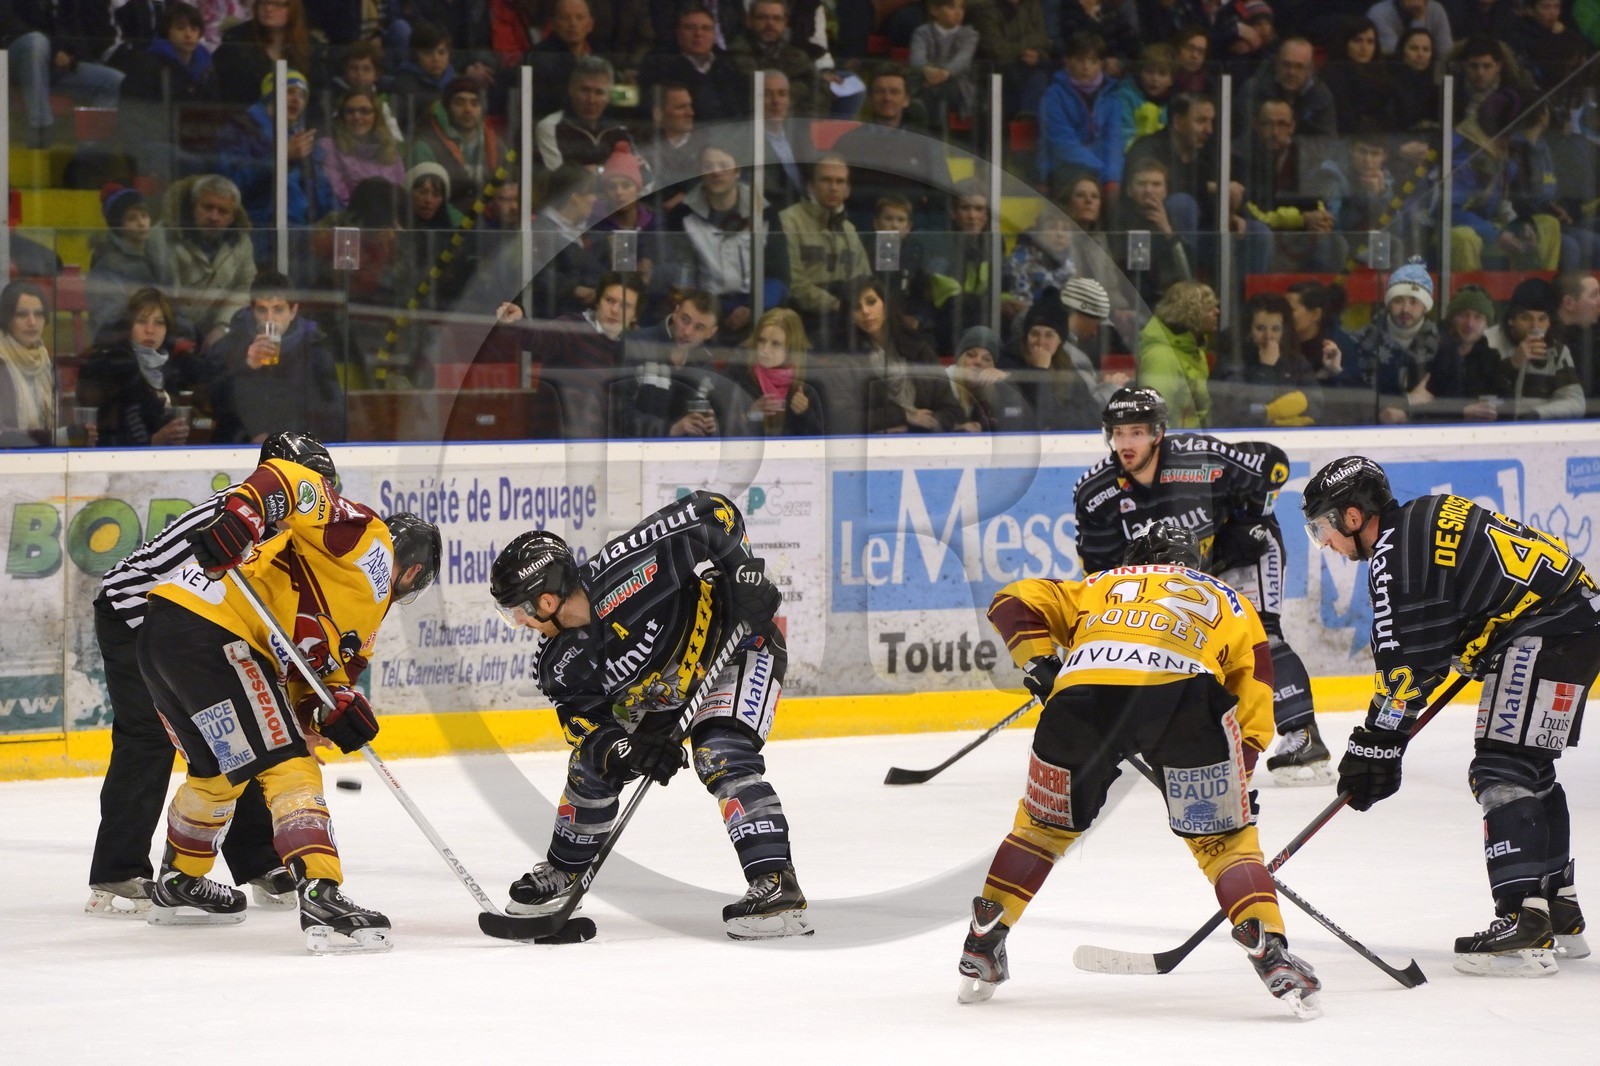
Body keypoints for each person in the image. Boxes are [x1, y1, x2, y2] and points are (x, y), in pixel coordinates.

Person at [959, 522, 1321, 1017]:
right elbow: (1255, 690)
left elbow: (1012, 600)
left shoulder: (1100, 584)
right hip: (1184, 700)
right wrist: (1240, 772)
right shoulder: (1229, 599)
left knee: (1040, 830)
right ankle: (1271, 950)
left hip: (1081, 701)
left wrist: (1040, 665)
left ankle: (984, 937)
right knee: (1225, 844)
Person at [1303, 456, 1592, 975]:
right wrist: (1473, 640)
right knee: (1530, 769)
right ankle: (1557, 905)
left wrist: (1374, 746)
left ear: (1352, 516)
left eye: (1323, 526)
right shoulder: (1424, 516)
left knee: (1500, 770)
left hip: (1544, 633)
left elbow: (1407, 671)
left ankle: (1523, 919)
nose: (1324, 541)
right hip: (1576, 620)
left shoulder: (1394, 555)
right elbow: (1458, 615)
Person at [138, 457, 439, 951]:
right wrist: (243, 514)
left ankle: (180, 882)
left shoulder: (360, 629)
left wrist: (338, 709)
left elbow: (316, 688)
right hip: (219, 634)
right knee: (289, 764)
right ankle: (322, 892)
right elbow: (292, 479)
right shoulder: (372, 544)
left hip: (165, 632)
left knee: (216, 771)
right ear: (414, 572)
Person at [487, 492, 811, 939]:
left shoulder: (630, 571)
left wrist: (741, 573)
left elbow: (714, 511)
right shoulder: (559, 662)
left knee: (721, 753)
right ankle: (563, 874)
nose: (520, 623)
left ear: (546, 600)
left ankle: (777, 885)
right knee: (590, 768)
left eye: (519, 610)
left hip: (738, 648)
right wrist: (629, 750)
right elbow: (587, 727)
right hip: (666, 692)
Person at [85, 432, 338, 917]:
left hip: (195, 629)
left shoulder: (288, 529)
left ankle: (259, 860)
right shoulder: (238, 515)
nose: (319, 494)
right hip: (135, 617)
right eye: (311, 481)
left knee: (245, 735)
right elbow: (187, 593)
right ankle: (118, 871)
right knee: (148, 738)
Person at [1074, 387, 1331, 784]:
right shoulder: (1096, 495)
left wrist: (1253, 521)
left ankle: (1303, 736)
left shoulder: (1198, 457)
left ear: (1158, 433)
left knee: (1262, 638)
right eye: (1119, 433)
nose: (1126, 443)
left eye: (1137, 432)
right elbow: (1099, 573)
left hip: (1241, 557)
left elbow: (1274, 466)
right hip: (1181, 578)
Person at [208, 271, 345, 444]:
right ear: (252, 310)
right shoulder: (230, 346)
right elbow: (214, 404)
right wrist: (247, 366)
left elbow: (331, 418)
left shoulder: (314, 352)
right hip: (239, 451)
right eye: (262, 310)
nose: (269, 319)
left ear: (293, 311)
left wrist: (282, 439)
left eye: (278, 310)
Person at [77, 288, 205, 448]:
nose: (150, 330)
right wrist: (152, 442)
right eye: (142, 321)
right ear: (128, 326)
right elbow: (101, 440)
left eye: (159, 322)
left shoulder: (178, 370)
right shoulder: (111, 369)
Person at [611, 289, 742, 437]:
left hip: (684, 455)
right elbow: (616, 413)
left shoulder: (706, 363)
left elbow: (720, 420)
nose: (687, 332)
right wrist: (670, 429)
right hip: (632, 453)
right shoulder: (635, 345)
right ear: (676, 312)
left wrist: (711, 426)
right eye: (685, 320)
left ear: (711, 332)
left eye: (699, 328)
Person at [149, 174, 258, 350]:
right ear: (193, 207)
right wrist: (180, 336)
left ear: (232, 217)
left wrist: (223, 327)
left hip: (213, 335)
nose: (214, 217)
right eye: (208, 207)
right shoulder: (162, 237)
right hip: (164, 334)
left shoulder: (241, 243)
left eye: (223, 211)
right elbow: (164, 293)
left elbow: (243, 289)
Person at [846, 277, 963, 434]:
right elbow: (845, 416)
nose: (865, 311)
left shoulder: (919, 349)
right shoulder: (848, 358)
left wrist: (931, 424)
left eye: (871, 302)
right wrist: (903, 416)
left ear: (885, 305)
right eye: (857, 307)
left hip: (924, 443)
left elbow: (950, 407)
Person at [778, 156, 872, 349]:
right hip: (803, 317)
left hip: (846, 317)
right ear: (810, 186)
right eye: (826, 180)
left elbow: (866, 280)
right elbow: (793, 284)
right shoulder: (788, 221)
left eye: (840, 182)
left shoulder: (849, 230)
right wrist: (836, 304)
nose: (833, 188)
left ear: (847, 190)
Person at [1466, 277, 1585, 422]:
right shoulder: (1488, 343)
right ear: (1511, 319)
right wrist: (1512, 364)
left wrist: (1536, 414)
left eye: (1542, 319)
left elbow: (1575, 402)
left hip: (1534, 434)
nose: (1535, 327)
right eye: (1526, 318)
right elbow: (1471, 392)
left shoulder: (1557, 351)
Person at [1348, 259, 1441, 424]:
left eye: (1414, 302)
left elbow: (1449, 406)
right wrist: (1408, 401)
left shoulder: (1442, 346)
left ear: (1425, 307)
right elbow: (1353, 402)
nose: (1405, 309)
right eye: (1398, 301)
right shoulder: (1361, 341)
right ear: (1389, 303)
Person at [1213, 291, 1323, 427]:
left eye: (1276, 329)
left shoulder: (1296, 361)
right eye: (1260, 328)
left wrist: (1285, 415)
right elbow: (1239, 414)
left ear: (1284, 331)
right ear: (1249, 330)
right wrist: (1266, 370)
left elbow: (1317, 405)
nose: (1268, 336)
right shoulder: (1231, 364)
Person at [1039, 32, 1127, 195]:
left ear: (1101, 64)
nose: (1086, 67)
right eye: (1080, 60)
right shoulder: (1053, 95)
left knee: (1117, 191)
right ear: (1068, 61)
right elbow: (1063, 143)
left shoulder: (1112, 96)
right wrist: (1099, 170)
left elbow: (1113, 140)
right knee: (1084, 189)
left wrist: (1111, 178)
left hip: (1101, 169)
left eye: (1093, 62)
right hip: (1064, 168)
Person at [87, 185, 176, 337]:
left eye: (144, 215)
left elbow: (173, 304)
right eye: (132, 218)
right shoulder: (108, 264)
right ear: (118, 226)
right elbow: (109, 318)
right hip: (124, 343)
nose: (142, 223)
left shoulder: (157, 256)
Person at [411, 75, 505, 217]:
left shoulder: (497, 145)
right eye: (460, 103)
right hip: (446, 226)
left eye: (475, 103)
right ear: (447, 107)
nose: (468, 109)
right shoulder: (425, 147)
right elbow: (423, 201)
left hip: (491, 225)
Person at [727, 306, 825, 436]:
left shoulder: (810, 382)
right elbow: (724, 430)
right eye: (761, 341)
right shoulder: (739, 374)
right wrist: (751, 416)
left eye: (775, 344)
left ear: (791, 348)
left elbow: (821, 441)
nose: (765, 350)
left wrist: (804, 414)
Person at [1136, 279, 1218, 429]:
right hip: (1179, 446)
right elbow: (1158, 419)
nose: (1217, 312)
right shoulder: (1160, 357)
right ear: (1191, 313)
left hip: (1198, 444)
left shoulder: (1195, 350)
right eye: (1209, 308)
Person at [534, 55, 636, 172]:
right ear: (571, 89)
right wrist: (613, 172)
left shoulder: (619, 130)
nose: (591, 100)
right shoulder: (550, 126)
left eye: (599, 92)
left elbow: (644, 177)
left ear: (609, 95)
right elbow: (561, 181)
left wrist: (592, 170)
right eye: (584, 90)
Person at [319, 88, 407, 209]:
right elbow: (336, 198)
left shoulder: (392, 153)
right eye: (350, 111)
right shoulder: (329, 148)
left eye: (364, 111)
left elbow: (400, 200)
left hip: (386, 224)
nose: (357, 117)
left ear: (377, 116)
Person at [211, 0, 312, 106]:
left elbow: (315, 98)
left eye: (277, 4)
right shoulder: (237, 41)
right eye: (263, 3)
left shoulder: (308, 46)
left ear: (293, 8)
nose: (268, 8)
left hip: (296, 118)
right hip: (245, 116)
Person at [0, 281, 57, 448]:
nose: (32, 322)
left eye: (38, 314)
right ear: (7, 318)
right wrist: (53, 437)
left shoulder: (46, 361)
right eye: (22, 314)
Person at [909, 0, 980, 129]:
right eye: (951, 7)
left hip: (958, 87)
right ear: (934, 10)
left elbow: (962, 60)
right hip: (926, 82)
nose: (958, 13)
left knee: (943, 89)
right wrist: (928, 71)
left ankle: (938, 133)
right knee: (929, 93)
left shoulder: (970, 35)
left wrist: (945, 73)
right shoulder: (922, 32)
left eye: (961, 8)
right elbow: (917, 59)